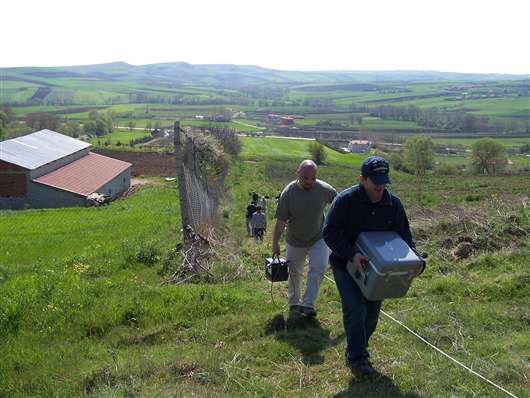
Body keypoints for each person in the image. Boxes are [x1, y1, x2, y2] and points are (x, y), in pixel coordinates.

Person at [323, 156, 421, 377]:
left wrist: (416, 260)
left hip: (379, 269)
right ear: (361, 179)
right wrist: (351, 254)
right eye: (374, 180)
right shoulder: (345, 201)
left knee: (371, 314)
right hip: (345, 263)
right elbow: (329, 232)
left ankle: (356, 345)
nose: (380, 186)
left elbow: (405, 235)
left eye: (383, 180)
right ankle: (358, 357)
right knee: (354, 308)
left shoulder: (393, 204)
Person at [272, 159, 337, 317]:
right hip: (295, 239)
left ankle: (308, 305)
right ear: (298, 174)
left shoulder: (323, 189)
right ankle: (294, 303)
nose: (309, 182)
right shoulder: (288, 193)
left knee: (319, 266)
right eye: (305, 178)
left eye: (313, 178)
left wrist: (335, 225)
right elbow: (280, 221)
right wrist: (275, 243)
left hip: (319, 236)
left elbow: (340, 203)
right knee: (295, 272)